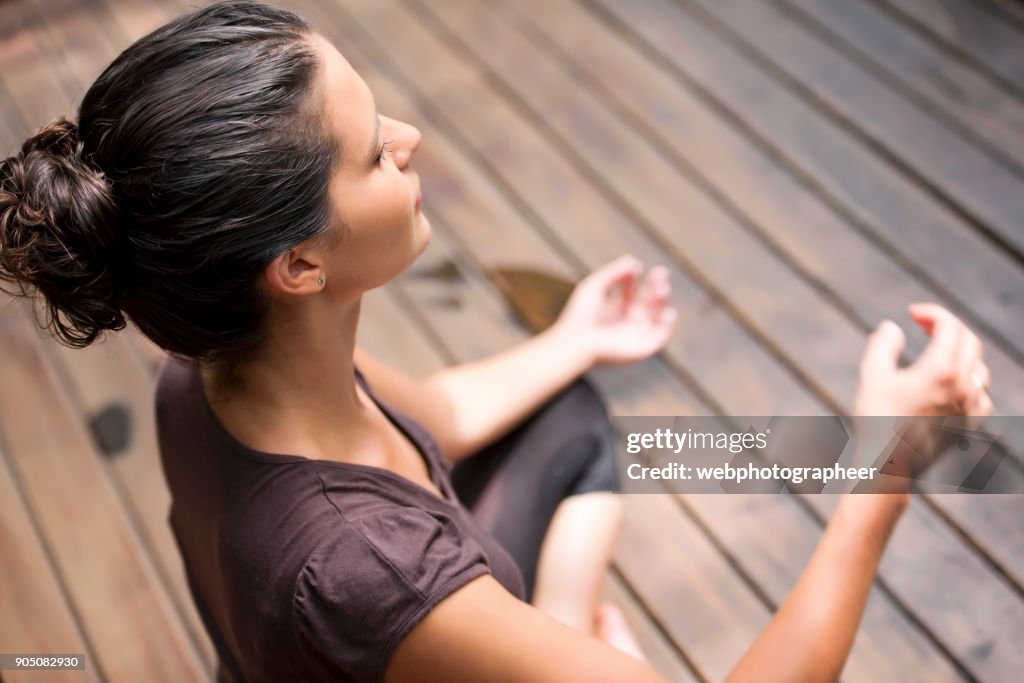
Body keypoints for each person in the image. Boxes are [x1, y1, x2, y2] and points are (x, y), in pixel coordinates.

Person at [0, 2, 992, 681]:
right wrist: (887, 464)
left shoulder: (214, 359)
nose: (410, 135)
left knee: (572, 409)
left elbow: (450, 414)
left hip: (332, 632)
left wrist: (575, 337)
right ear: (299, 264)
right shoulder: (363, 566)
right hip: (362, 615)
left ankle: (552, 639)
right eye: (369, 149)